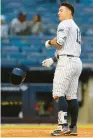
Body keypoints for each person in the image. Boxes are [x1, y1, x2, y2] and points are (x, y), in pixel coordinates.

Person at [42, 2, 82, 136]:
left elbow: (59, 43)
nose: (58, 13)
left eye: (61, 10)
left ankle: (63, 126)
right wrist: (53, 59)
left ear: (69, 12)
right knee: (71, 96)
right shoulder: (76, 27)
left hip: (66, 63)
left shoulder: (64, 24)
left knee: (59, 94)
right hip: (76, 62)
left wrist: (48, 42)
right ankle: (73, 127)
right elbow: (66, 48)